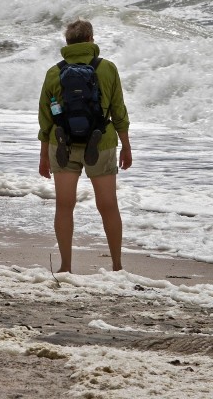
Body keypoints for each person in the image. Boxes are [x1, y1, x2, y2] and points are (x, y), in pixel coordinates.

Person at [38, 19, 131, 272]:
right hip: (100, 143)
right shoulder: (107, 68)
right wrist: (126, 145)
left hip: (61, 144)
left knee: (65, 206)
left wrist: (44, 155)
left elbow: (46, 117)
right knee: (108, 205)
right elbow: (118, 109)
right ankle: (117, 266)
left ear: (67, 44)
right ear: (91, 40)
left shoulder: (54, 72)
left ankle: (65, 266)